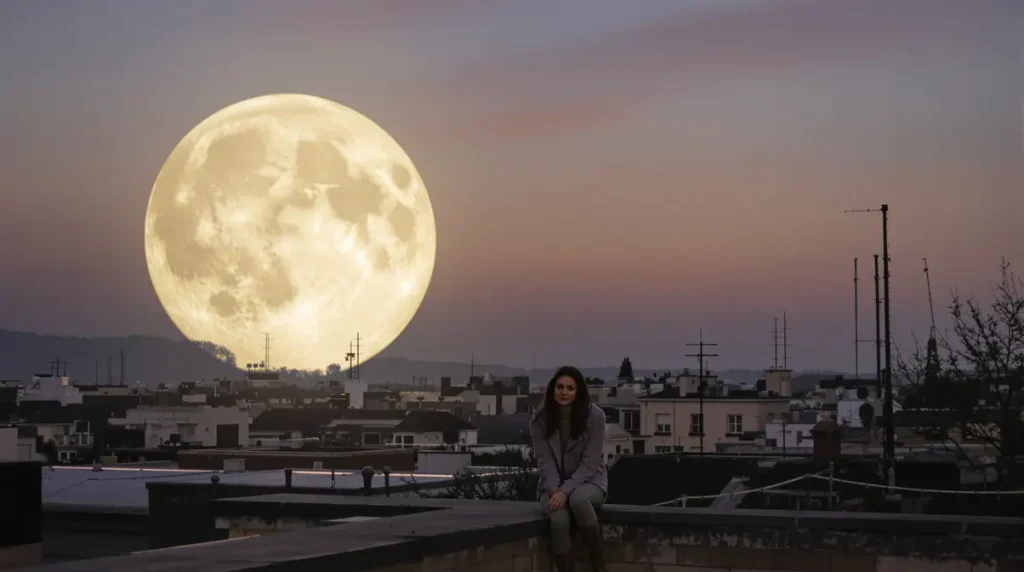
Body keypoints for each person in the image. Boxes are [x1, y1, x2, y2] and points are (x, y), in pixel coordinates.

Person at [530, 365, 608, 572]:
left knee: (579, 500)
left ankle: (599, 567)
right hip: (551, 485)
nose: (564, 392)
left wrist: (565, 491)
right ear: (552, 389)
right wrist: (555, 490)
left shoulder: (596, 417)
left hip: (590, 481)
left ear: (578, 392)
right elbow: (544, 461)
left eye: (570, 388)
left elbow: (590, 463)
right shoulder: (539, 419)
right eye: (560, 387)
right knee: (558, 517)